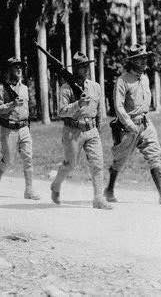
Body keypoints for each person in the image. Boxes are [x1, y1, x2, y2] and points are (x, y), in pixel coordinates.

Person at [105, 45, 161, 205]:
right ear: (132, 61)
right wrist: (130, 125)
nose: (144, 61)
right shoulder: (122, 80)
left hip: (145, 123)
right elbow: (118, 106)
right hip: (128, 128)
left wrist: (144, 120)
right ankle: (109, 190)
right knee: (120, 159)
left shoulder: (145, 78)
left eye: (145, 58)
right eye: (139, 59)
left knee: (154, 154)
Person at [50, 52, 112, 209]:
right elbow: (61, 111)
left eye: (87, 66)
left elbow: (99, 110)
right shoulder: (66, 88)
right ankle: (56, 185)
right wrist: (78, 104)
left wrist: (98, 127)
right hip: (73, 131)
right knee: (70, 164)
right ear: (75, 68)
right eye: (82, 66)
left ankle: (98, 198)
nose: (86, 69)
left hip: (92, 130)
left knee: (97, 164)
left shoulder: (95, 87)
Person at [0, 57, 40, 200]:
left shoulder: (24, 88)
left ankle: (29, 190)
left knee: (28, 158)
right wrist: (12, 104)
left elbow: (27, 109)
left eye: (20, 67)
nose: (19, 69)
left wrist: (27, 126)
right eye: (15, 67)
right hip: (9, 129)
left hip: (24, 128)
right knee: (8, 159)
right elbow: (0, 109)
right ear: (9, 70)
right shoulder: (1, 88)